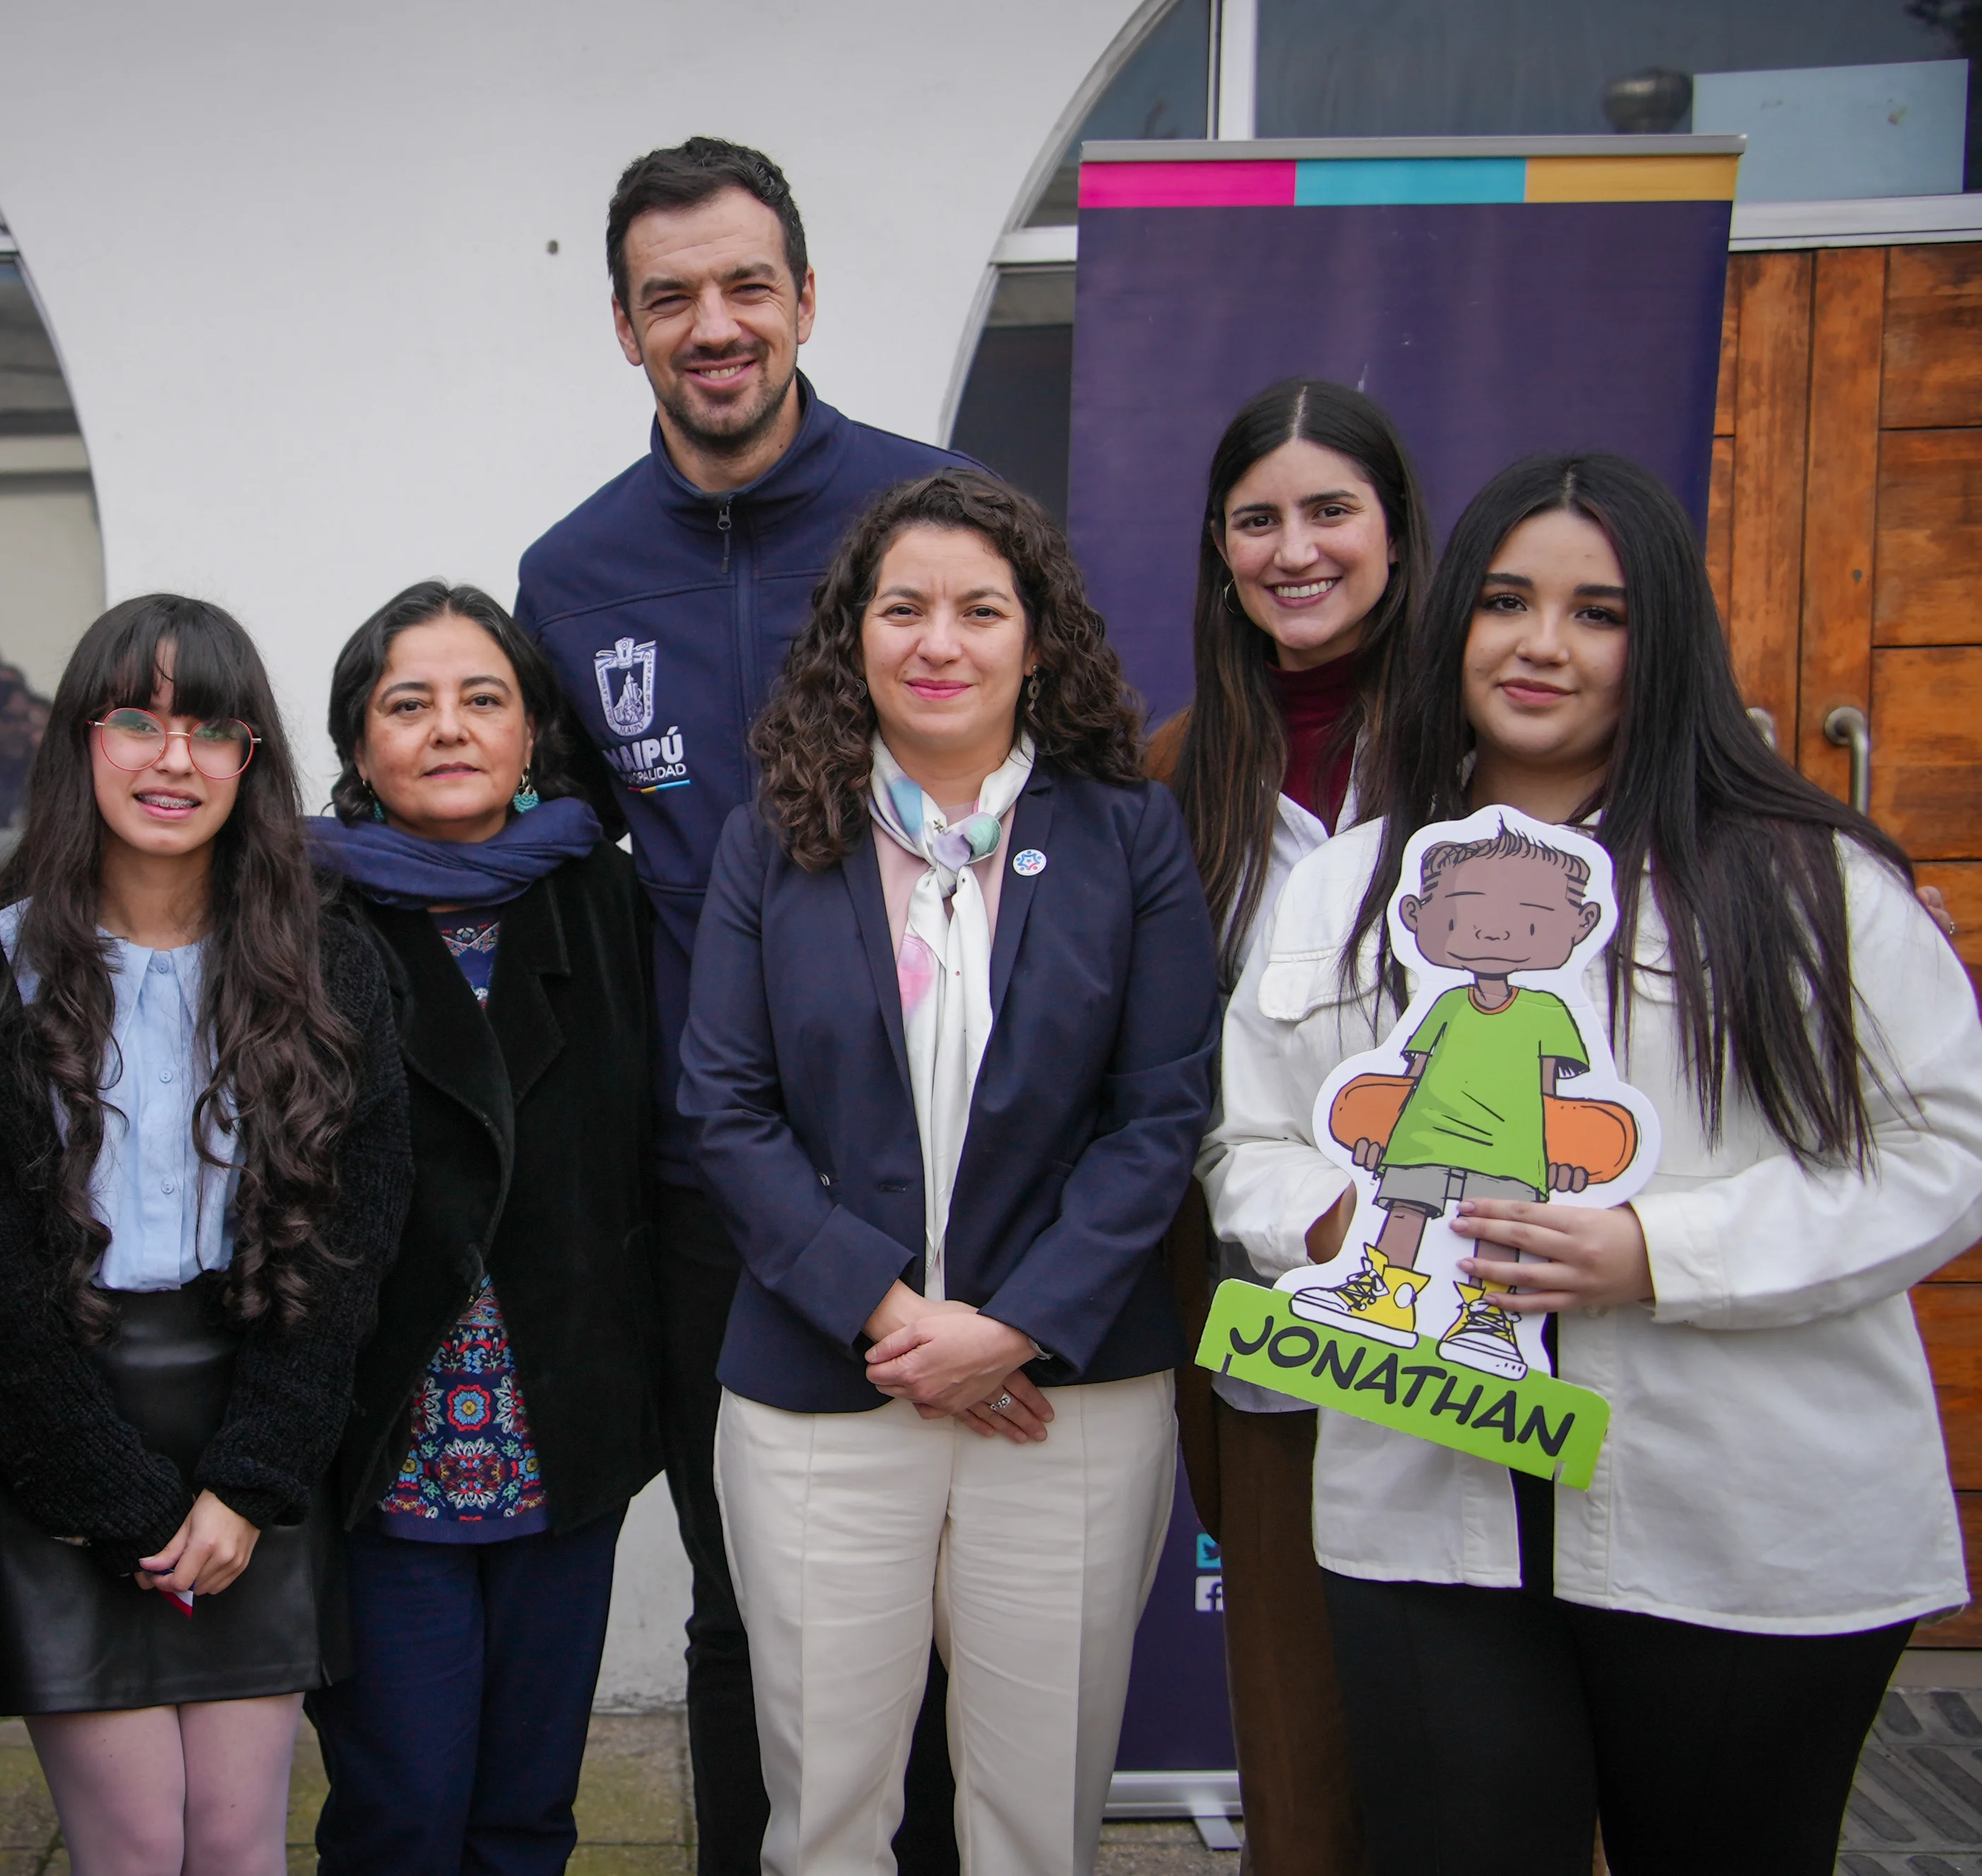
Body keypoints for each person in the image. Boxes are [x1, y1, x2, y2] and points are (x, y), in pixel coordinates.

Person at [1206, 452, 1982, 1875]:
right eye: (1505, 599)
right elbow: (1245, 1133)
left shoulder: (1805, 878)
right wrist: (1325, 1218)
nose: (1540, 644)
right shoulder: (1349, 884)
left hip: (1741, 1516)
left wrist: (1656, 1253)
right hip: (1425, 1508)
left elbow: (1943, 1147)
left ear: (1663, 638)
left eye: (1598, 610)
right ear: (1453, 623)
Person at [514, 134, 975, 1872]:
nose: (714, 324)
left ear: (803, 300)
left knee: (949, 1591)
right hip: (709, 1170)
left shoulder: (933, 514)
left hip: (946, 1143)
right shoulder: (570, 573)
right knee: (748, 1586)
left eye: (745, 286)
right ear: (624, 328)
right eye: (670, 296)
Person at [680, 469, 1220, 1875]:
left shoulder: (1128, 834)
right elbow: (724, 1108)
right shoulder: (770, 839)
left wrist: (1011, 1323)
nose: (941, 640)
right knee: (829, 1809)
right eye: (903, 606)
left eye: (981, 608)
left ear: (1036, 639)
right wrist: (894, 1314)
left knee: (1036, 1815)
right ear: (851, 637)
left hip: (1068, 1396)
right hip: (822, 1389)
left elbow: (1160, 1111)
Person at [0, 595, 409, 1876]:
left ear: (253, 759)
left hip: (253, 1430)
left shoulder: (329, 965)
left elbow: (348, 1248)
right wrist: (109, 1495)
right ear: (80, 743)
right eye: (134, 720)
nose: (172, 759)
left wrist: (253, 1483)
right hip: (67, 1444)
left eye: (211, 728)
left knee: (242, 1842)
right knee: (136, 1846)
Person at [301, 582, 664, 1874]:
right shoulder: (293, 916)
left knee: (528, 1807)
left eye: (483, 699)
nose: (448, 729)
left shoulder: (612, 903)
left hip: (566, 1416)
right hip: (378, 1429)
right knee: (400, 1809)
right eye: (409, 704)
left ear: (531, 736)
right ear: (358, 744)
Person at [1145, 377, 1426, 1875]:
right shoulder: (1173, 771)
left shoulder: (1492, 750)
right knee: (1298, 1702)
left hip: (1500, 1286)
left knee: (1478, 1696)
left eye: (1331, 511)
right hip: (1262, 1292)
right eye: (1259, 519)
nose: (1293, 548)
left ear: (1395, 533)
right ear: (1217, 545)